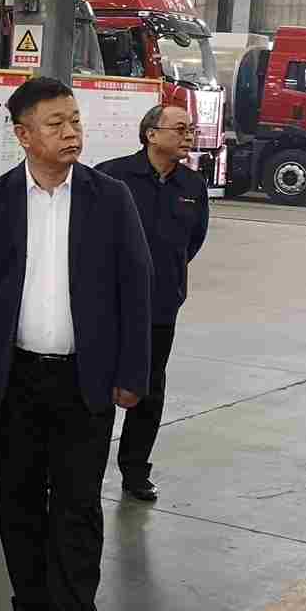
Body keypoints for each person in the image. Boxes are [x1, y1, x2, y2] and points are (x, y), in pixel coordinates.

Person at [0, 76, 151, 611]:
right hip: (13, 379)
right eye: (56, 123)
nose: (71, 133)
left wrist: (132, 373)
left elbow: (136, 290)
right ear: (23, 135)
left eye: (75, 121)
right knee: (17, 501)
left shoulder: (109, 198)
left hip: (84, 382)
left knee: (77, 507)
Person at [96, 103, 209, 504]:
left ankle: (135, 471)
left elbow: (193, 241)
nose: (188, 135)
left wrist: (167, 277)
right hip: (110, 305)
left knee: (149, 389)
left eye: (190, 129)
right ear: (151, 134)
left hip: (161, 306)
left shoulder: (193, 186)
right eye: (179, 128)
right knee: (99, 386)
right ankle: (86, 467)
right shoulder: (112, 176)